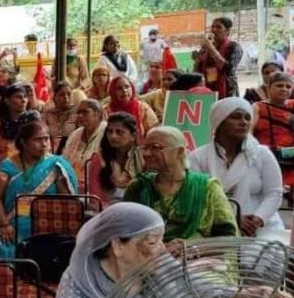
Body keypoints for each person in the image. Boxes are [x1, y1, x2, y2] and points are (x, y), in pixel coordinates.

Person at [190, 98, 284, 237]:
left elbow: (274, 193)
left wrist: (257, 220)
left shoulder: (261, 154)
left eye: (247, 118)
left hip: (262, 226)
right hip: (216, 226)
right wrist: (231, 218)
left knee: (269, 256)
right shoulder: (198, 157)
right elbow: (197, 198)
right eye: (236, 117)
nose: (244, 122)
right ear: (219, 122)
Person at [124, 127, 238, 240]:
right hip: (149, 256)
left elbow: (227, 234)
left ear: (179, 152)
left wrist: (192, 248)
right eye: (145, 148)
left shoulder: (207, 187)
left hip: (199, 256)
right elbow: (125, 231)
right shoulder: (139, 187)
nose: (147, 154)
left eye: (155, 147)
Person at [0, 121, 77, 245]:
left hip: (49, 226)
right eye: (38, 140)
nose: (44, 144)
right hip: (13, 225)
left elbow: (66, 202)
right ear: (23, 142)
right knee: (4, 247)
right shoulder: (7, 166)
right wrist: (4, 224)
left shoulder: (56, 165)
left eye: (46, 139)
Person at [87, 112, 142, 205]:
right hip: (106, 210)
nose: (113, 136)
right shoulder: (99, 159)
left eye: (119, 132)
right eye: (110, 131)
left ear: (133, 136)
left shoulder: (142, 157)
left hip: (137, 209)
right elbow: (95, 199)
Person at [252, 72, 294, 188]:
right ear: (268, 88)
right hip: (267, 157)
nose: (284, 89)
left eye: (288, 86)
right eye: (279, 85)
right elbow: (248, 135)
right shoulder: (258, 107)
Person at [194, 17, 243, 98]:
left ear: (227, 31)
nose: (214, 30)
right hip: (206, 91)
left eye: (218, 27)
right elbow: (197, 72)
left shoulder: (234, 46)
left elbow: (228, 69)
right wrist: (197, 59)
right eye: (212, 27)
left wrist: (211, 49)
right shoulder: (205, 48)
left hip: (227, 92)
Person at [62, 99, 107, 186]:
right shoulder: (75, 134)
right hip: (73, 184)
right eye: (78, 113)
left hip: (98, 184)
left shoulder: (107, 133)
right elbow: (65, 160)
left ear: (98, 113)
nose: (80, 116)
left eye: (85, 112)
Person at [44, 82, 78, 153]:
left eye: (69, 94)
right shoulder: (48, 114)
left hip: (72, 151)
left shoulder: (77, 113)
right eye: (61, 95)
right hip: (50, 151)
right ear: (55, 97)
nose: (66, 97)